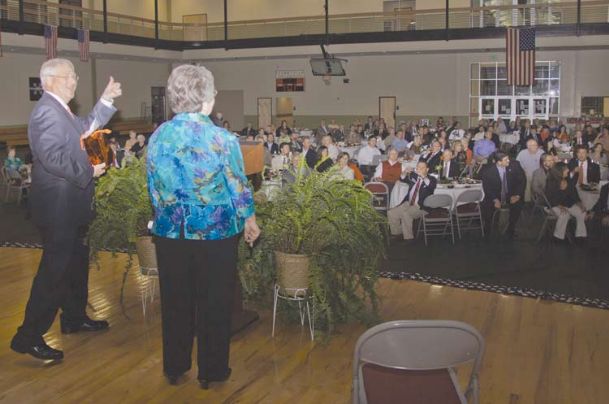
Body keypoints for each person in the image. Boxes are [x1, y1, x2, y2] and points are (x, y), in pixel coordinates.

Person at [146, 65, 260, 388]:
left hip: (170, 233)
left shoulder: (158, 137)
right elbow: (238, 187)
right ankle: (211, 370)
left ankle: (174, 365)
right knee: (214, 303)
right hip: (215, 235)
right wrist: (249, 220)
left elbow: (153, 187)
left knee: (175, 301)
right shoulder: (222, 139)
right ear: (206, 98)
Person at [10, 58, 120, 361]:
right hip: (58, 206)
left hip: (71, 204)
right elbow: (52, 158)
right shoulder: (47, 111)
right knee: (54, 271)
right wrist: (90, 170)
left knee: (75, 263)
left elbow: (86, 128)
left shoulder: (60, 110)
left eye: (75, 76)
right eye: (68, 76)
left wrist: (106, 100)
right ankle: (28, 336)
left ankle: (73, 317)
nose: (74, 81)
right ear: (49, 80)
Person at [387, 160, 437, 241]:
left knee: (406, 214)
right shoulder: (413, 176)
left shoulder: (432, 179)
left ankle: (409, 238)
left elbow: (430, 186)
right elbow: (402, 179)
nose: (419, 169)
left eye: (422, 167)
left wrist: (423, 177)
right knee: (391, 213)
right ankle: (397, 233)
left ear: (427, 169)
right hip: (409, 203)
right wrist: (404, 172)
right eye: (418, 167)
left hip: (421, 206)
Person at [480, 152, 526, 239]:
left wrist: (517, 195)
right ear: (499, 162)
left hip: (511, 194)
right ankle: (488, 230)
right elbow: (486, 187)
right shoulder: (488, 171)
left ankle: (511, 229)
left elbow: (522, 181)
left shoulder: (515, 166)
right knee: (487, 206)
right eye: (506, 160)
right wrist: (495, 199)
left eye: (508, 158)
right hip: (494, 195)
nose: (509, 161)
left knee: (518, 205)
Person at [545, 163, 587, 241]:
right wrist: (559, 206)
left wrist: (579, 203)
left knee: (582, 212)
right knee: (564, 214)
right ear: (559, 171)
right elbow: (549, 199)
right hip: (552, 205)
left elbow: (574, 194)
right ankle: (558, 237)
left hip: (567, 204)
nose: (568, 170)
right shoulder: (551, 182)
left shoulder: (568, 180)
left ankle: (580, 235)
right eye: (565, 169)